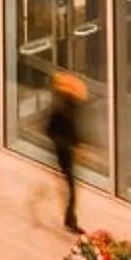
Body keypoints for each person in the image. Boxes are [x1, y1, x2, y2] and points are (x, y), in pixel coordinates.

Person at [43, 72, 86, 232]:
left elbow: (71, 131)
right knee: (71, 189)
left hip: (66, 153)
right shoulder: (63, 111)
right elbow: (53, 130)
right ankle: (70, 221)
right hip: (64, 154)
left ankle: (70, 219)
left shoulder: (68, 109)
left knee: (71, 188)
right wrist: (69, 144)